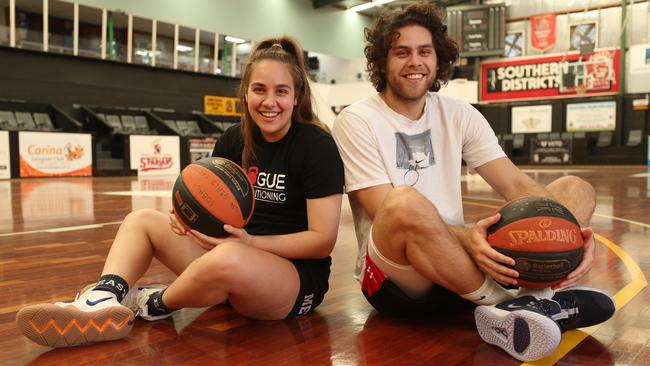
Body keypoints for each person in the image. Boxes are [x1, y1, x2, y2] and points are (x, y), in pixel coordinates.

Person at [16, 36, 345, 348]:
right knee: (142, 219)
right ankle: (101, 299)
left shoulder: (316, 146)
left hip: (292, 281)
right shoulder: (234, 139)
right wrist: (187, 221)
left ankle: (150, 303)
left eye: (281, 91)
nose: (269, 102)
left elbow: (321, 241)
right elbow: (215, 212)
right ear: (245, 93)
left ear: (297, 96)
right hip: (229, 264)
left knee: (229, 256)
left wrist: (250, 243)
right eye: (259, 89)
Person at [331, 4, 615, 362]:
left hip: (462, 263)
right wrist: (470, 237)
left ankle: (533, 303)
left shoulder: (459, 114)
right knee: (403, 202)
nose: (414, 62)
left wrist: (571, 234)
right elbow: (384, 210)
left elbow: (514, 182)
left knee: (576, 188)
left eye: (424, 51)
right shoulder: (357, 120)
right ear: (382, 61)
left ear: (438, 59)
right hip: (397, 278)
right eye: (401, 52)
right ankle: (517, 305)